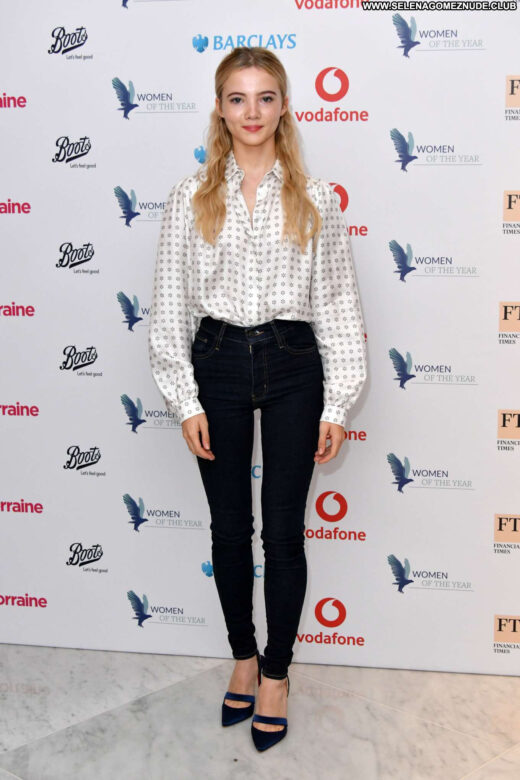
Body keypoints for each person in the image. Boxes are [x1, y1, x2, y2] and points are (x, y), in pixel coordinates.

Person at [148, 46, 367, 752]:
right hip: (216, 364)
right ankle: (243, 656)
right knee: (228, 529)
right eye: (237, 98)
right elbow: (170, 306)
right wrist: (185, 399)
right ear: (220, 109)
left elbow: (337, 304)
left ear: (283, 106)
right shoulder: (189, 196)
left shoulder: (316, 196)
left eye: (265, 97)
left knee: (283, 531)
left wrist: (338, 404)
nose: (252, 111)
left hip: (295, 364)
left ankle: (276, 672)